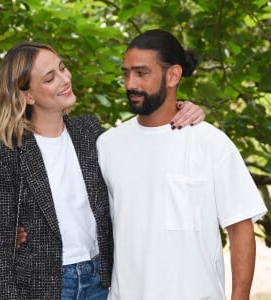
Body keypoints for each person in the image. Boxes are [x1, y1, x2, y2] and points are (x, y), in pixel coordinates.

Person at [0, 41, 204, 300]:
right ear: (28, 95)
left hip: (100, 280)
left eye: (62, 68)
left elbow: (141, 141)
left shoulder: (90, 132)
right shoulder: (5, 151)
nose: (65, 79)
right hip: (43, 285)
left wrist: (182, 106)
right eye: (50, 78)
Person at [96, 29, 268, 300]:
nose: (130, 83)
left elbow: (240, 227)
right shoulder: (107, 145)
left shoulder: (211, 143)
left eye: (141, 73)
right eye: (126, 73)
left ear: (173, 75)